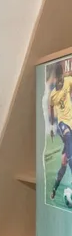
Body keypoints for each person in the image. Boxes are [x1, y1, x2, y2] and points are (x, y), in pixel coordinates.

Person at [49, 65, 72, 200]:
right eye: (59, 77)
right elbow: (51, 107)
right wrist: (52, 125)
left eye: (62, 77)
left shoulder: (68, 81)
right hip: (62, 124)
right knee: (67, 136)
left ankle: (54, 189)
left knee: (63, 162)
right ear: (56, 78)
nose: (61, 80)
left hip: (71, 122)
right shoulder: (53, 94)